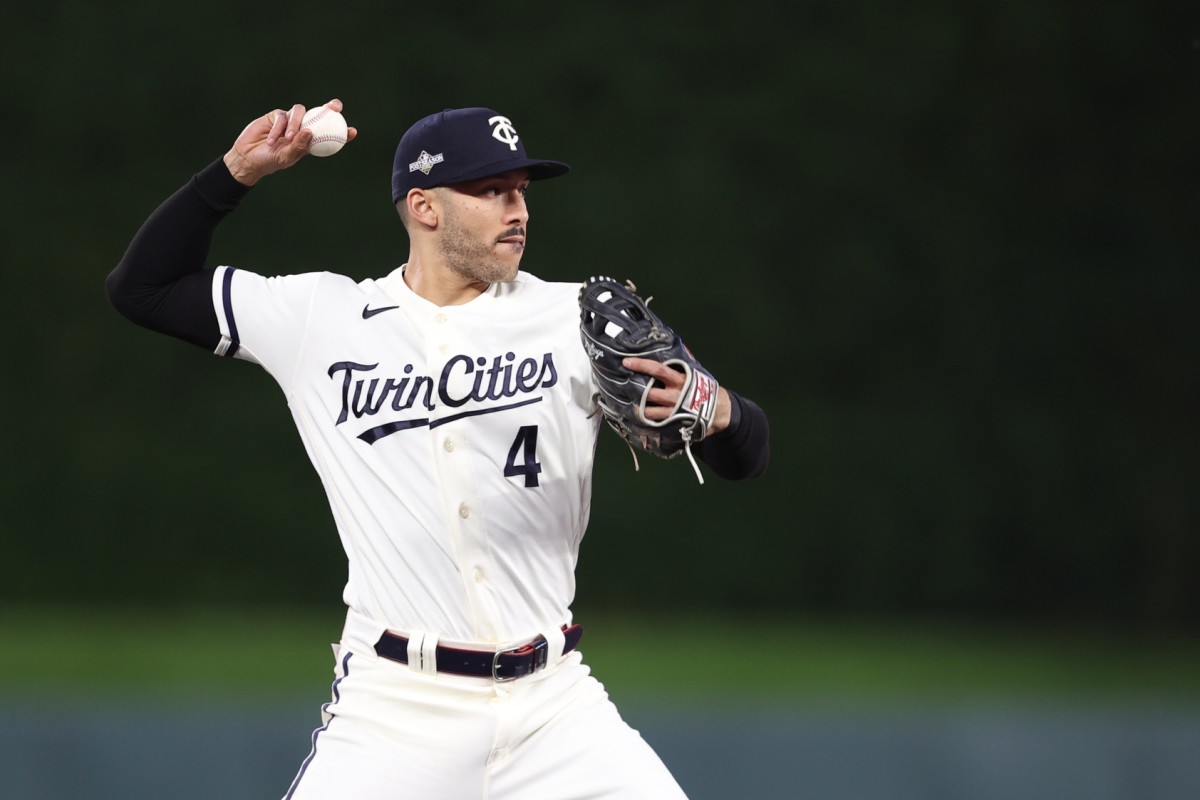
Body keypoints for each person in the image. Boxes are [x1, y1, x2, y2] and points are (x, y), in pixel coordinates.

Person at [107, 98, 770, 799]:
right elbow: (142, 289)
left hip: (555, 710)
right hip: (395, 712)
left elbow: (745, 451)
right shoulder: (321, 318)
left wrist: (720, 413)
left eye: (520, 190)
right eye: (491, 191)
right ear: (424, 207)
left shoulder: (573, 317)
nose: (517, 208)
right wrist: (234, 173)